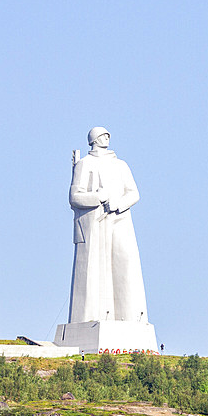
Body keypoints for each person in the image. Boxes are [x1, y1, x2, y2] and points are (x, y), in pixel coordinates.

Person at [67, 127, 148, 323]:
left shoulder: (121, 165)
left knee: (126, 267)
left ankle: (131, 318)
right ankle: (89, 319)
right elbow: (74, 197)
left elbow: (134, 193)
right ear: (93, 140)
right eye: (103, 135)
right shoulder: (85, 164)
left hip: (120, 219)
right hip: (94, 222)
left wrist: (119, 204)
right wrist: (98, 197)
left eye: (108, 135)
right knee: (92, 272)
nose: (107, 138)